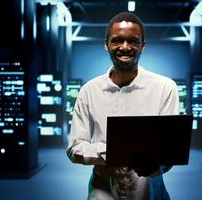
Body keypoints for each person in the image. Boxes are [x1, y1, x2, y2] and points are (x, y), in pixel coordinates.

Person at [66, 12, 179, 200]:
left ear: (143, 46)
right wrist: (114, 152)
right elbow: (74, 148)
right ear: (106, 44)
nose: (125, 47)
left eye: (133, 41)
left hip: (150, 193)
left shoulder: (165, 88)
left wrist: (157, 163)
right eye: (117, 40)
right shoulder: (89, 90)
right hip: (103, 192)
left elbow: (169, 150)